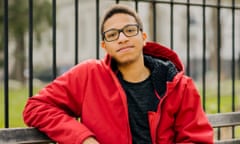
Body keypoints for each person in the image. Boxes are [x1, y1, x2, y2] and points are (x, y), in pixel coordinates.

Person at [23, 4, 213, 144]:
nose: (122, 39)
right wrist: (83, 138)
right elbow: (36, 107)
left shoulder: (179, 85)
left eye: (130, 30)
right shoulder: (89, 75)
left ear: (143, 37)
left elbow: (196, 139)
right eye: (112, 35)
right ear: (104, 46)